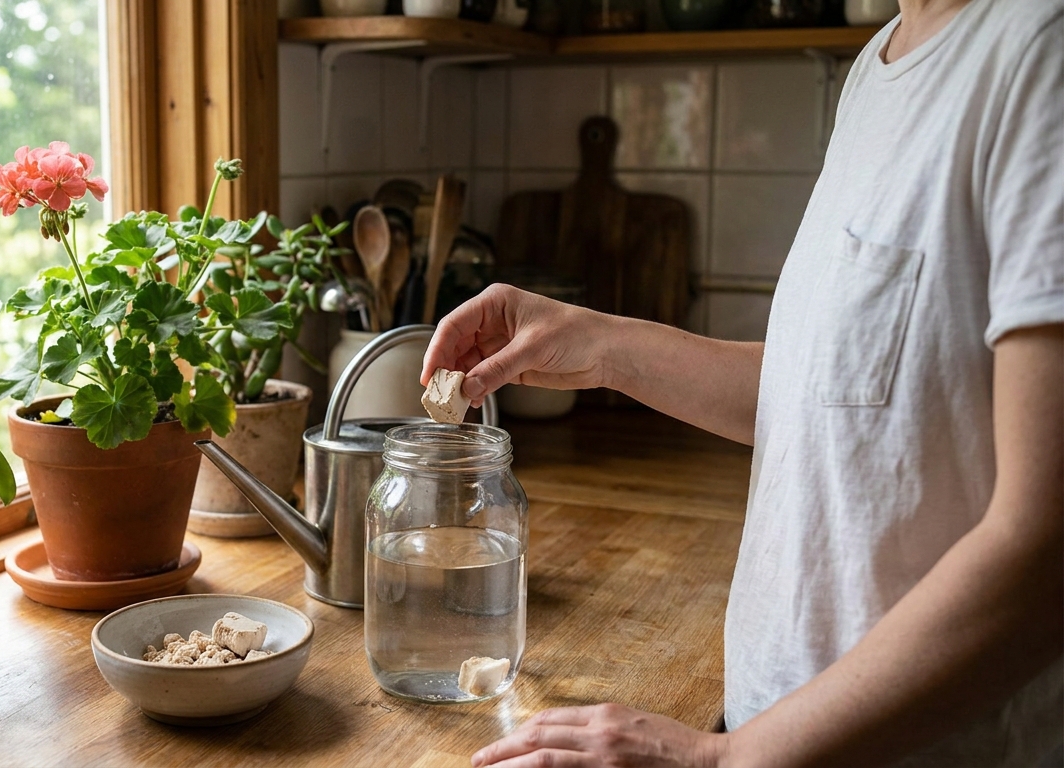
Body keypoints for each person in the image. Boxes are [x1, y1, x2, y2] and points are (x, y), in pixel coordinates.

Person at [423, 1, 1064, 765]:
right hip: (778, 730)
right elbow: (843, 398)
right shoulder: (881, 62)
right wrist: (598, 344)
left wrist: (723, 760)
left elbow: (1046, 553)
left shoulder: (1039, 54)